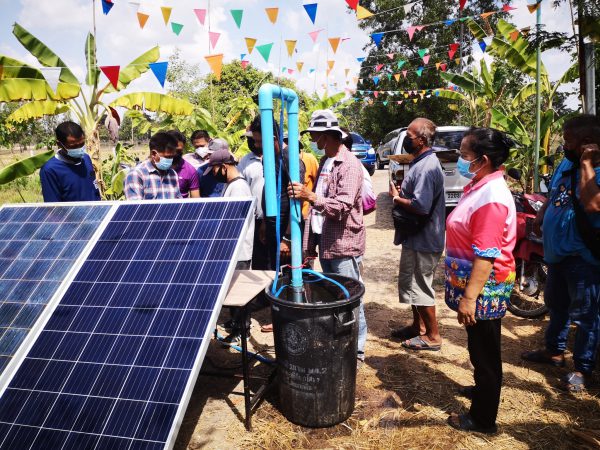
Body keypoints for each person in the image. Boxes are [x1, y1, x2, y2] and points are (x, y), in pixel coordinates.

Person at [445, 128, 516, 434]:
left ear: (483, 160)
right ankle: (481, 392)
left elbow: (486, 255)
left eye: (464, 156)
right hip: (476, 286)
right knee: (478, 348)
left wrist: (469, 297)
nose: (460, 161)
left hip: (486, 288)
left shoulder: (492, 197)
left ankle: (482, 418)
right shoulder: (479, 186)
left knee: (486, 356)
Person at [521, 114, 600, 393]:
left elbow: (593, 204)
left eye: (569, 141)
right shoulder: (567, 162)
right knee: (556, 306)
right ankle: (554, 352)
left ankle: (582, 368)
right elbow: (556, 192)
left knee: (586, 315)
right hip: (557, 254)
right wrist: (542, 216)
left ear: (588, 143)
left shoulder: (594, 167)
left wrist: (588, 164)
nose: (564, 146)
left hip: (583, 258)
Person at [288, 109, 367, 366]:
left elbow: (342, 205)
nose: (312, 138)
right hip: (328, 241)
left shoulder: (350, 165)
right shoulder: (326, 161)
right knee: (335, 294)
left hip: (344, 243)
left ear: (327, 135)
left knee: (350, 294)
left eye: (314, 134)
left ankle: (357, 350)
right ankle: (343, 341)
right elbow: (320, 206)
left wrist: (309, 197)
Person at [388, 118, 445, 350]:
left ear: (421, 140)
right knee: (412, 283)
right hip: (416, 236)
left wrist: (396, 197)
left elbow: (421, 206)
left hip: (424, 238)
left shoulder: (427, 166)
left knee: (420, 286)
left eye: (409, 137)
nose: (406, 141)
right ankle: (418, 327)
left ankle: (432, 336)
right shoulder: (420, 162)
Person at [204, 147, 256, 344]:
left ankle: (243, 330)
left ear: (224, 167)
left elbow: (234, 222)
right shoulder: (231, 185)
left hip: (239, 251)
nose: (214, 174)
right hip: (232, 250)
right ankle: (237, 326)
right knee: (232, 293)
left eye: (215, 169)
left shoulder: (239, 188)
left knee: (238, 294)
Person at [249, 115, 306, 272]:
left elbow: (297, 199)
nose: (256, 145)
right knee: (273, 272)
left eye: (259, 141)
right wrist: (264, 223)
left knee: (289, 274)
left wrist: (288, 238)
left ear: (273, 138)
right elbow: (269, 189)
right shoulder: (267, 158)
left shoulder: (290, 159)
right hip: (271, 226)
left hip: (287, 229)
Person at [40, 121, 101, 202]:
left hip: (96, 212)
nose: (79, 148)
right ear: (59, 144)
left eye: (82, 144)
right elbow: (53, 206)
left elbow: (93, 189)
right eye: (74, 146)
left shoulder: (86, 159)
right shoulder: (50, 170)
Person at [238, 130, 268, 270]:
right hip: (254, 219)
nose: (252, 143)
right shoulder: (245, 161)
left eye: (254, 139)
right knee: (258, 260)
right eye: (249, 140)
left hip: (273, 219)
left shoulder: (274, 158)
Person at [124, 132, 182, 200]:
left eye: (172, 157)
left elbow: (178, 203)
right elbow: (136, 208)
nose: (170, 160)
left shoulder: (173, 174)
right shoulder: (136, 175)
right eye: (167, 157)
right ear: (154, 154)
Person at [284, 133, 319, 221]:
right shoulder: (281, 161)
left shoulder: (309, 159)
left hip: (305, 214)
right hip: (287, 215)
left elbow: (318, 183)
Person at [168, 130, 200, 198]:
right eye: (172, 150)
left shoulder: (190, 171)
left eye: (179, 151)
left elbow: (196, 200)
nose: (175, 154)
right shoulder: (154, 169)